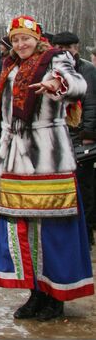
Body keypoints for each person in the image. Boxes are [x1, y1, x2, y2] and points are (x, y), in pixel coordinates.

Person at [0, 15, 94, 321]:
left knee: (54, 228)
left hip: (48, 157)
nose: (20, 44)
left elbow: (78, 86)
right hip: (17, 159)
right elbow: (4, 112)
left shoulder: (56, 59)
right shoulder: (11, 68)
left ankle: (57, 295)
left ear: (37, 38)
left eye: (25, 38)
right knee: (24, 230)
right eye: (15, 39)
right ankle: (36, 293)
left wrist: (57, 84)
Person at [49, 31, 96, 248]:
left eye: (69, 48)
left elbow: (91, 104)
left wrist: (88, 135)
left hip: (81, 138)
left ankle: (86, 236)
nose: (65, 52)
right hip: (59, 136)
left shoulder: (87, 70)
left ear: (76, 48)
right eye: (60, 48)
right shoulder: (51, 71)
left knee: (84, 187)